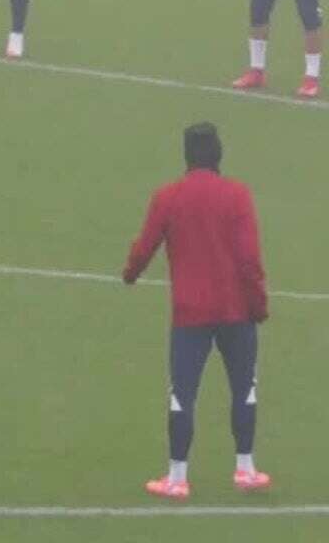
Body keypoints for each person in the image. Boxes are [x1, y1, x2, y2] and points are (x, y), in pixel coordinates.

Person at [122, 123, 271, 499]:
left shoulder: (168, 196)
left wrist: (130, 274)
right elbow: (250, 258)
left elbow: (145, 246)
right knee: (245, 388)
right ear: (219, 154)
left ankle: (177, 477)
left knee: (182, 394)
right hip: (237, 310)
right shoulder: (238, 195)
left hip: (190, 313)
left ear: (186, 156)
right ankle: (245, 468)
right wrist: (258, 304)